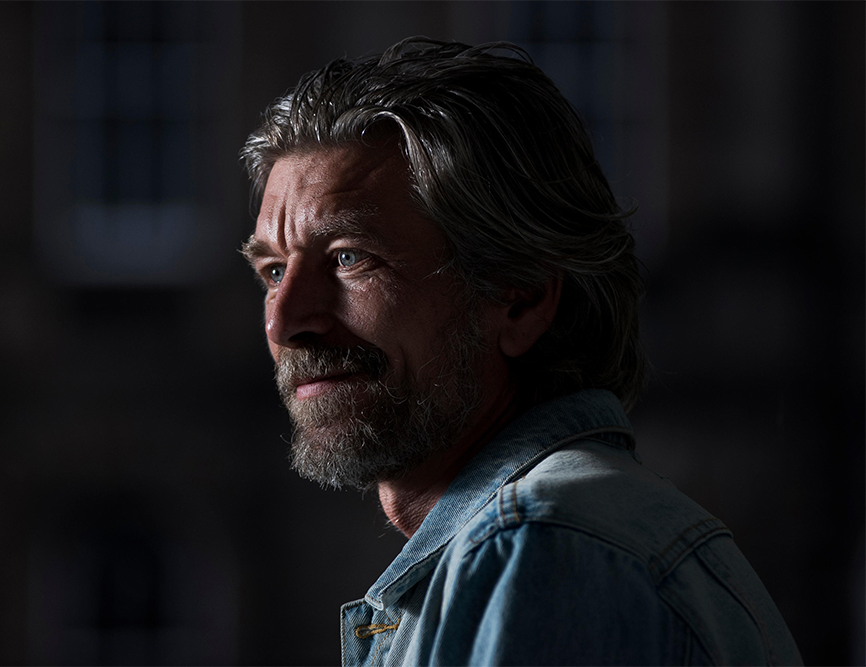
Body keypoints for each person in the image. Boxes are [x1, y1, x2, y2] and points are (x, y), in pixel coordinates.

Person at [240, 38, 802, 666]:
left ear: (521, 298)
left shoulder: (541, 546)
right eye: (272, 272)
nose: (286, 321)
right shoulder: (558, 537)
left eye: (349, 259)